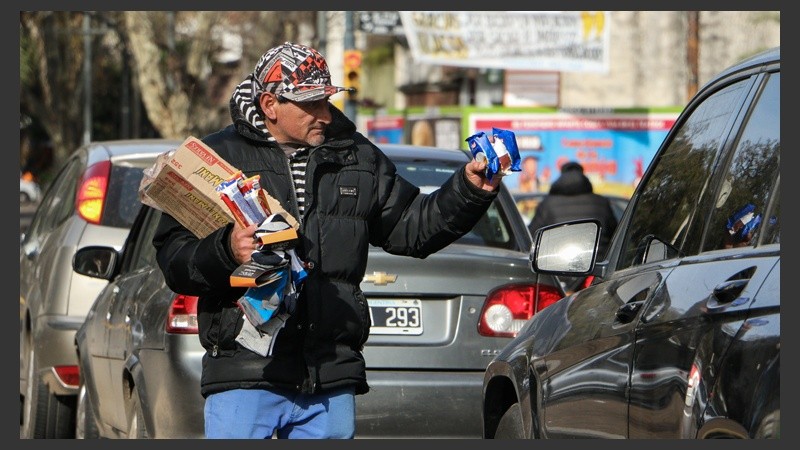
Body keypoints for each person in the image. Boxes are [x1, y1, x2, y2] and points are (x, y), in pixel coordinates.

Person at [152, 42, 501, 439]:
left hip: (330, 374)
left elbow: (412, 228)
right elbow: (174, 260)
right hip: (246, 372)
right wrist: (226, 249)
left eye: (326, 100)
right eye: (310, 104)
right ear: (270, 104)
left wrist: (470, 190)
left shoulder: (357, 157)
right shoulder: (215, 159)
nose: (324, 114)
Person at [528, 161, 618, 260]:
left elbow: (533, 236)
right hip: (598, 263)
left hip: (557, 265)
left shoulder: (547, 204)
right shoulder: (601, 202)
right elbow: (615, 234)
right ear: (583, 176)